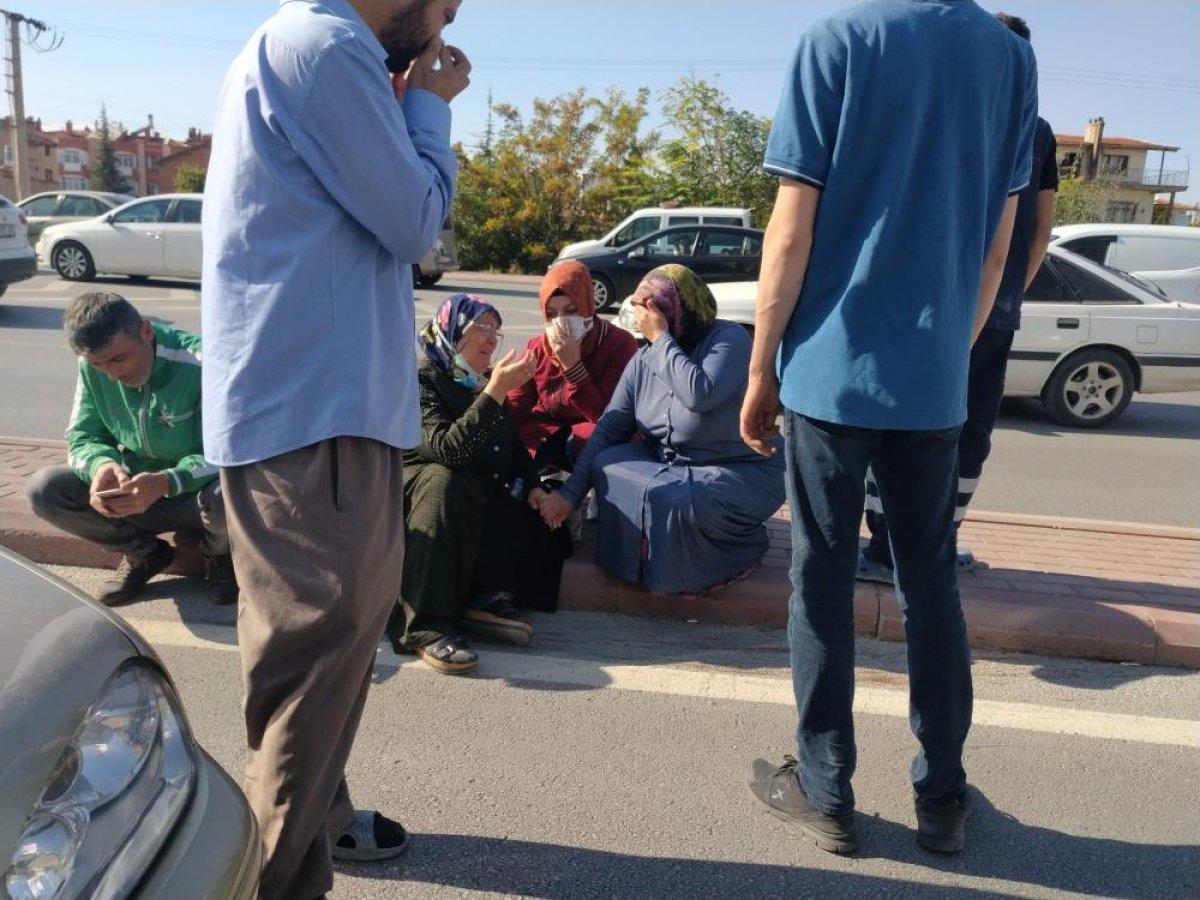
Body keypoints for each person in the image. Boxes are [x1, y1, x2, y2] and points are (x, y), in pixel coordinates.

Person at [740, 0, 1037, 857]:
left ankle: (826, 790)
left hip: (830, 374)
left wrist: (761, 370)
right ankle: (942, 795)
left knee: (823, 580)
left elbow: (790, 232)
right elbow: (996, 249)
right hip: (934, 379)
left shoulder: (836, 40)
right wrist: (948, 352)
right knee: (930, 585)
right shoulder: (1007, 58)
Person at [201, 1, 469, 896]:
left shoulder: (292, 43)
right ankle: (267, 882)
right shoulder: (331, 46)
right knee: (315, 670)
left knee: (298, 662)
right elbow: (417, 223)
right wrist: (429, 104)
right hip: (320, 413)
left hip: (295, 409)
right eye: (442, 6)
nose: (439, 29)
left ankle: (325, 825)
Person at [860, 11, 1060, 582]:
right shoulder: (1038, 131)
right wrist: (1007, 295)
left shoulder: (950, 113)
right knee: (968, 430)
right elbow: (1040, 230)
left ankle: (882, 548)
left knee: (898, 417)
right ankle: (938, 545)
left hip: (926, 300)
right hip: (994, 308)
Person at [540, 265, 786, 595]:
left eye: (655, 310)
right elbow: (609, 428)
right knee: (606, 463)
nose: (645, 320)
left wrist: (660, 339)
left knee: (676, 499)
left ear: (679, 307)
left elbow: (700, 394)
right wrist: (570, 496)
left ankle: (739, 551)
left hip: (740, 468)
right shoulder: (645, 359)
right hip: (674, 466)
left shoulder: (728, 339)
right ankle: (645, 559)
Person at [387, 295, 573, 674]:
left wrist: (535, 487)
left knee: (540, 516)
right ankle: (425, 627)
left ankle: (477, 596)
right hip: (424, 493)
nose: (492, 339)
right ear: (453, 332)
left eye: (496, 330)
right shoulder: (424, 381)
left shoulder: (481, 384)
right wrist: (494, 392)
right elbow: (447, 450)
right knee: (447, 483)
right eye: (482, 327)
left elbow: (514, 449)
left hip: (471, 491)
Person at [26, 292, 236, 606]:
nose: (113, 374)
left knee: (229, 492)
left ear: (146, 331)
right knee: (45, 489)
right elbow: (82, 438)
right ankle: (146, 555)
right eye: (99, 365)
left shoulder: (203, 363)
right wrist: (101, 467)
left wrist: (166, 481)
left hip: (197, 494)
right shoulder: (91, 367)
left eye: (118, 359)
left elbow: (229, 453)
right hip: (136, 492)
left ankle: (219, 555)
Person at [507, 260, 638, 471]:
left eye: (571, 310)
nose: (561, 322)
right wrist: (494, 393)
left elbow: (609, 420)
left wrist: (572, 366)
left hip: (590, 442)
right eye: (552, 313)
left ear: (587, 305)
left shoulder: (619, 344)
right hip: (545, 438)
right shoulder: (538, 347)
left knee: (591, 439)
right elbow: (515, 408)